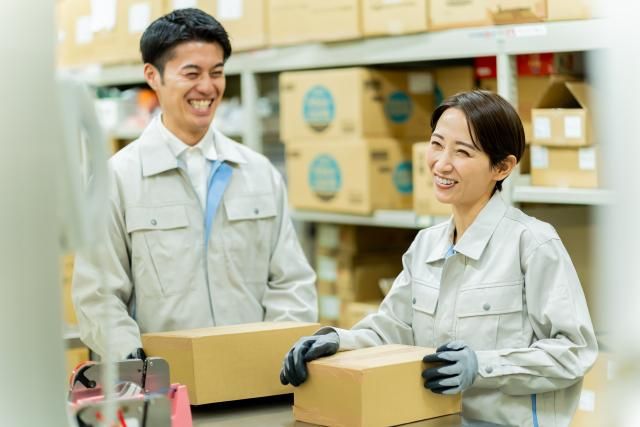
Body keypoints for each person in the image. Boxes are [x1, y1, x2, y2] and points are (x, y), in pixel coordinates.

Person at [280, 91, 597, 426]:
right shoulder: (425, 245)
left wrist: (483, 366)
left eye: (462, 152)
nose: (441, 163)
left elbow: (575, 351)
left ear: (502, 167)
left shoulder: (531, 243)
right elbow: (391, 332)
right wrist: (335, 341)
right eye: (437, 144)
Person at [73, 8, 317, 361]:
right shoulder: (117, 179)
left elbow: (291, 282)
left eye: (216, 73)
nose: (207, 87)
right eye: (192, 73)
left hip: (254, 380)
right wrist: (136, 365)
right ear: (153, 76)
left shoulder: (258, 173)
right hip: (163, 388)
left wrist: (278, 356)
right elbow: (98, 295)